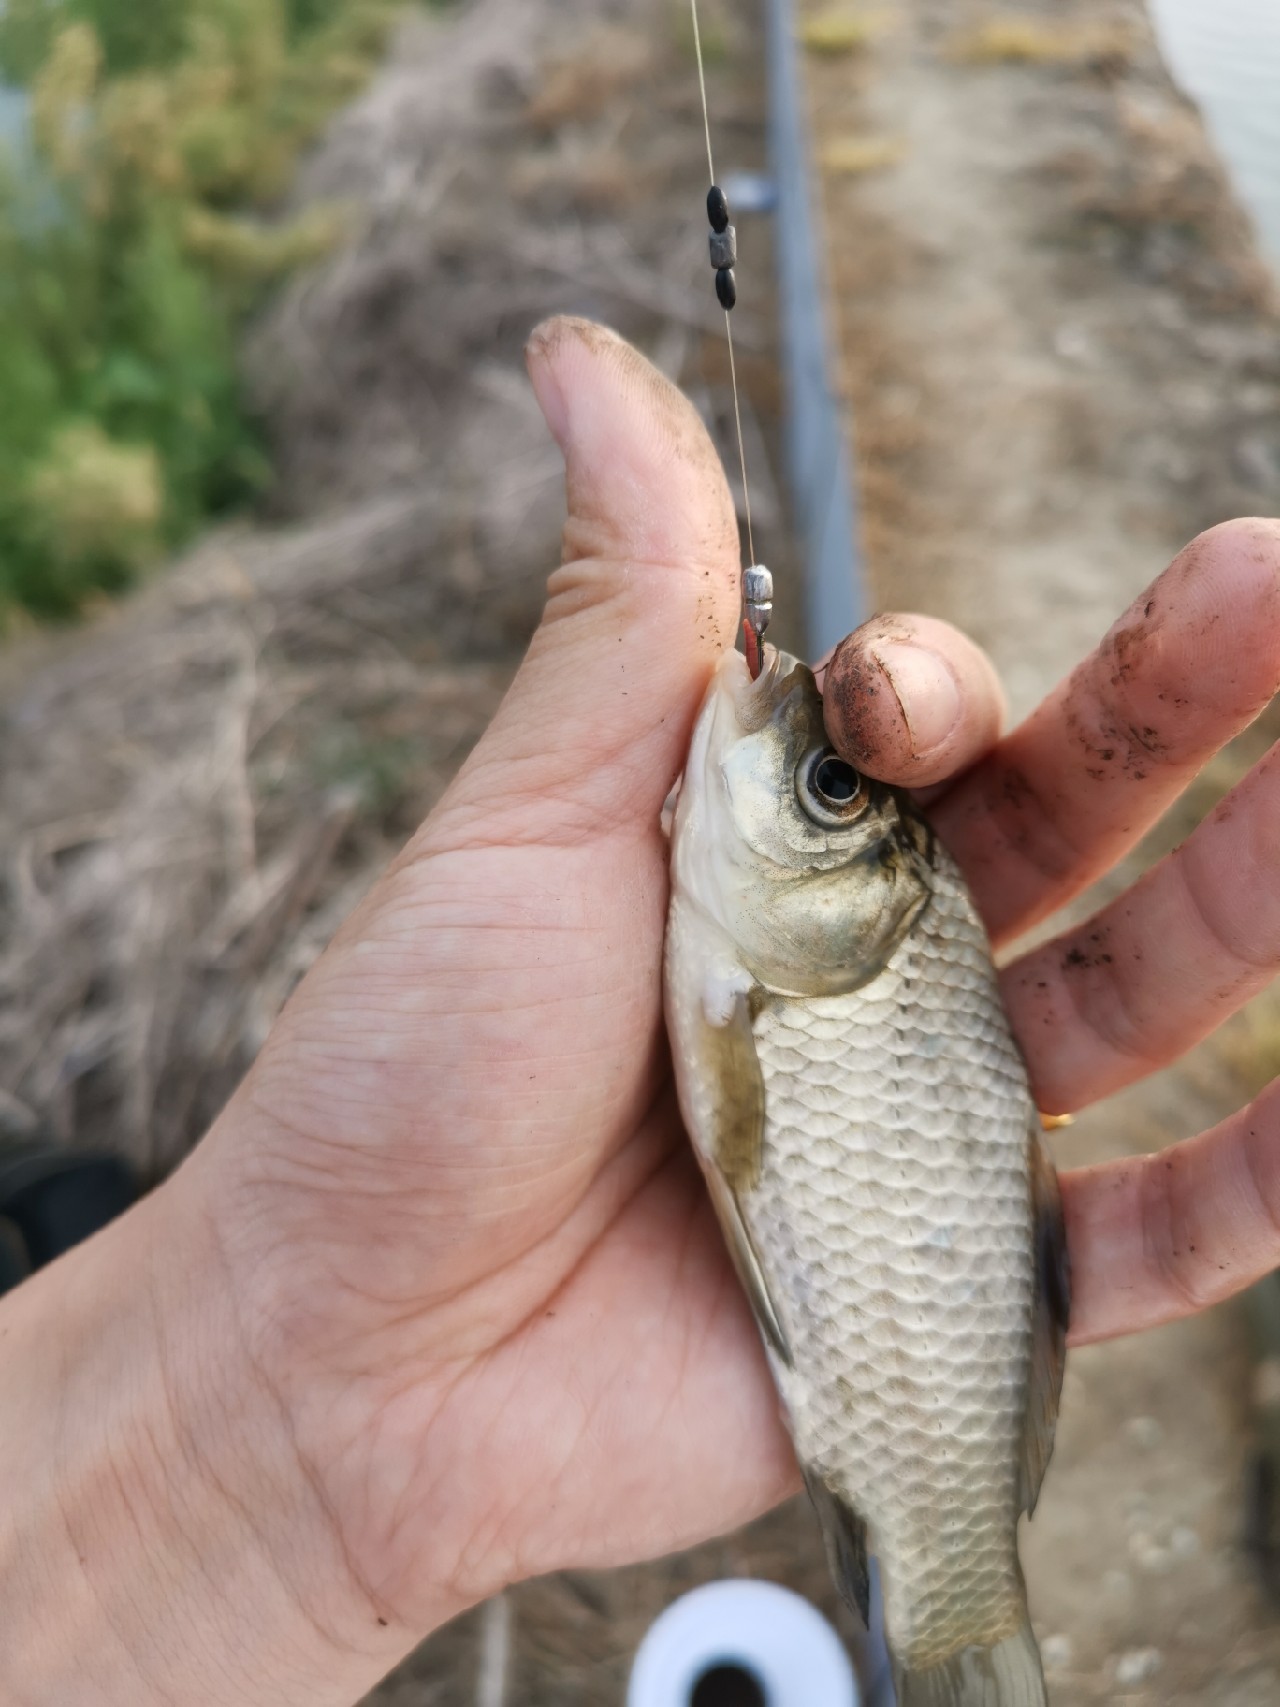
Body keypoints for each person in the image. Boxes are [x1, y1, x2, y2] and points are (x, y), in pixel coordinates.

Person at [3, 316, 1279, 1705]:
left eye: (827, 797)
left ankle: (958, 1622)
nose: (790, 745)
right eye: (834, 792)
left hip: (894, 1349)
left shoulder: (760, 959)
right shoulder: (740, 950)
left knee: (937, 1568)